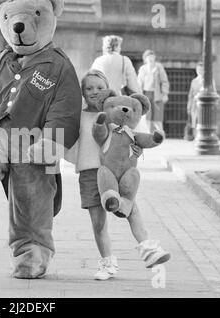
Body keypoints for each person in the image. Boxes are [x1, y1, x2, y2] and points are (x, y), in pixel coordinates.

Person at [65, 69, 170, 280]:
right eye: (89, 88)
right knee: (98, 222)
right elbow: (69, 142)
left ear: (108, 91)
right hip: (89, 173)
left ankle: (149, 249)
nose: (95, 92)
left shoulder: (119, 113)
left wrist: (136, 150)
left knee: (131, 210)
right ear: (83, 93)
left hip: (117, 171)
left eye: (99, 88)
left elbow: (132, 139)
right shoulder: (78, 116)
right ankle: (107, 263)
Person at [137, 50, 169, 133]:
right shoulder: (143, 68)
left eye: (152, 56)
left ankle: (161, 134)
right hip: (146, 94)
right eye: (148, 56)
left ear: (155, 58)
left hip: (157, 94)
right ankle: (148, 134)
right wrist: (138, 96)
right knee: (147, 117)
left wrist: (165, 94)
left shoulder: (159, 67)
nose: (151, 58)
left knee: (157, 117)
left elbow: (164, 81)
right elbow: (139, 83)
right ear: (145, 58)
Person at [184, 61, 213, 141]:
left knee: (203, 121)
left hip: (204, 105)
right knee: (194, 121)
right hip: (194, 104)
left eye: (201, 70)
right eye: (198, 70)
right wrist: (189, 106)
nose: (199, 71)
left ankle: (202, 137)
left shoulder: (208, 80)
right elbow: (190, 94)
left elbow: (213, 92)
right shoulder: (194, 81)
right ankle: (196, 137)